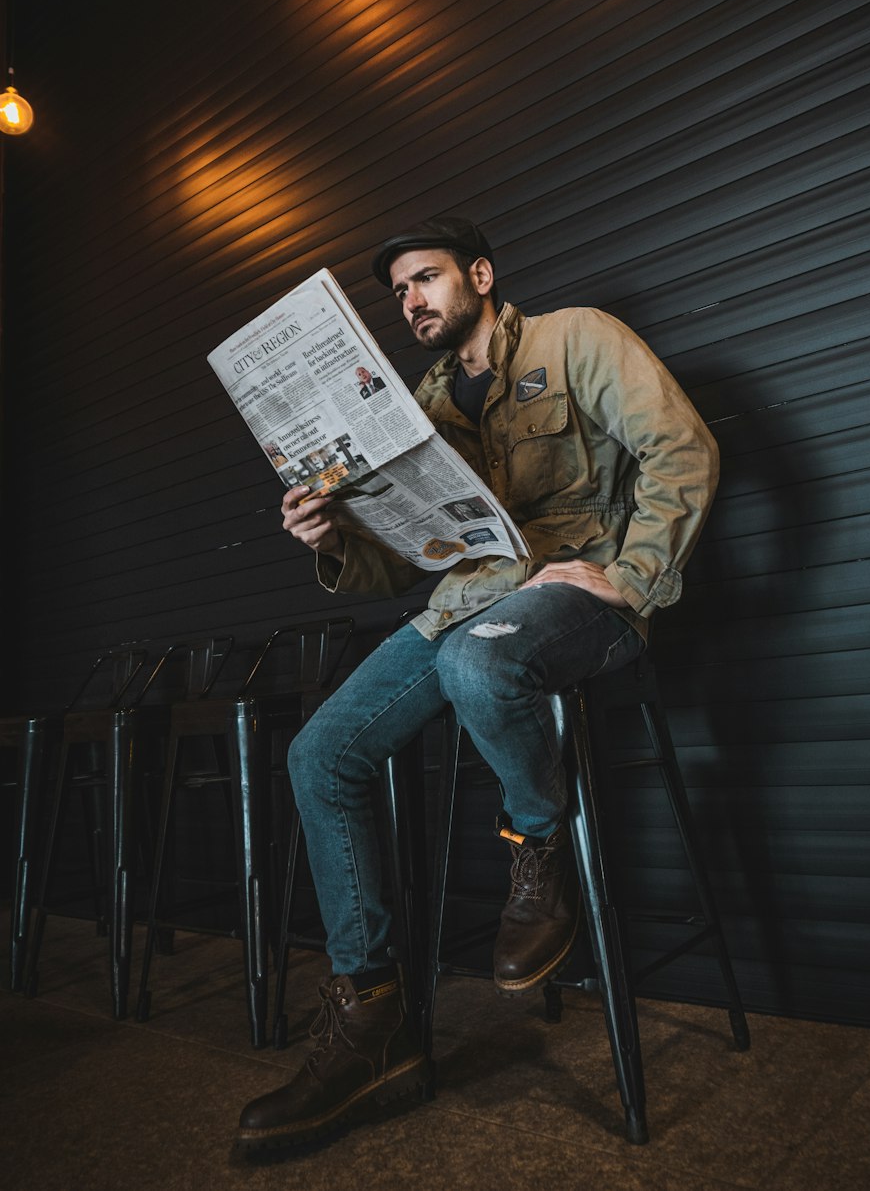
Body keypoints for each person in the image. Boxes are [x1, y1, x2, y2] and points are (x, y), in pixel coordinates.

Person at [237, 217, 719, 1151]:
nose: (412, 299)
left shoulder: (576, 337)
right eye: (400, 292)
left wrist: (634, 572)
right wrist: (333, 536)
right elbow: (413, 562)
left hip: (582, 593)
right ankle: (370, 1018)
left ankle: (539, 856)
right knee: (322, 752)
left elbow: (682, 449)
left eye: (426, 278)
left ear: (482, 276)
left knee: (478, 660)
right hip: (467, 601)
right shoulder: (417, 404)